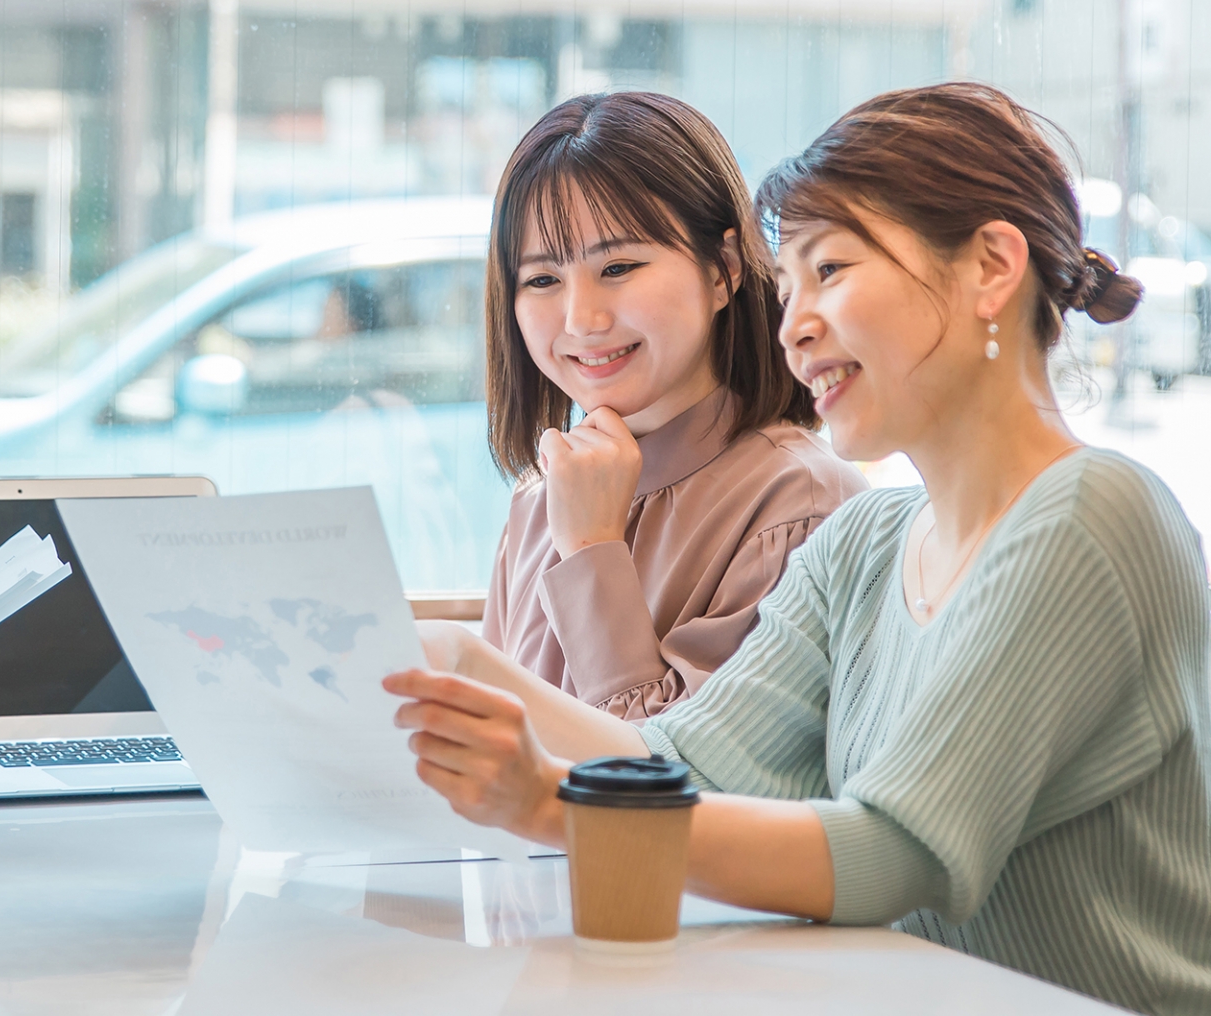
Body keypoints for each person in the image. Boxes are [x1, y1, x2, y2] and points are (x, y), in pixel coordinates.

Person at [390, 83, 1211, 1015]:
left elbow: (893, 853)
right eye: (791, 285)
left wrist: (546, 802)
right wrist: (457, 669)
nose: (795, 325)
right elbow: (678, 764)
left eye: (831, 272)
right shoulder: (867, 542)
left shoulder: (1090, 515)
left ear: (991, 267)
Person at [473, 92, 865, 719]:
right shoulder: (538, 497)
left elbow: (671, 789)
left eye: (619, 266)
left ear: (723, 269)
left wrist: (593, 550)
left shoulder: (802, 506)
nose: (582, 319)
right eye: (542, 280)